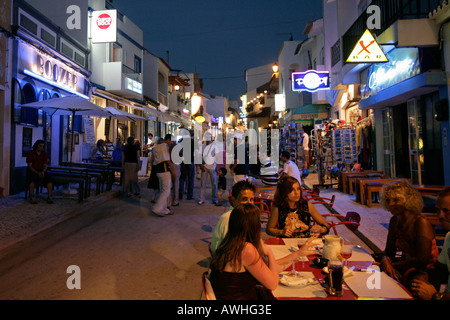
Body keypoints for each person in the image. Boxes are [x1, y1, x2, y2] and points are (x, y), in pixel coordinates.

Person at [209, 203, 279, 300]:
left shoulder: (228, 242)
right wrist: (269, 252)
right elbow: (273, 284)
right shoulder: (246, 249)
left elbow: (263, 270)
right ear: (254, 226)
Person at [378, 179, 439, 282]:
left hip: (426, 272)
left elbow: (422, 260)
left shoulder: (421, 223)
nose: (391, 204)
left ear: (408, 200)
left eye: (396, 200)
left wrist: (392, 265)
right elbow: (389, 251)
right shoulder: (394, 221)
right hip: (405, 266)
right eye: (388, 200)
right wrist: (385, 260)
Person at [410, 187, 450, 300]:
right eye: (438, 210)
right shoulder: (448, 237)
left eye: (446, 211)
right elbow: (440, 271)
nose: (440, 216)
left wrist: (436, 296)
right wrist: (423, 278)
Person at [150, 135, 173, 216]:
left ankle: (164, 209)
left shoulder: (155, 148)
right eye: (171, 140)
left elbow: (153, 160)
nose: (171, 142)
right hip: (164, 170)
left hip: (158, 170)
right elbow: (166, 159)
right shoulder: (164, 146)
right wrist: (173, 169)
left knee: (163, 190)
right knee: (166, 191)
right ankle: (157, 208)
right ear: (167, 140)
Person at [26, 139, 53, 204]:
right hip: (33, 170)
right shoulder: (31, 153)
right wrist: (37, 173)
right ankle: (32, 197)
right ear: (36, 146)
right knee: (32, 180)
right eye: (40, 146)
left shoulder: (44, 154)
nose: (41, 148)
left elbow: (45, 165)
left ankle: (49, 196)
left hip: (41, 170)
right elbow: (30, 166)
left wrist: (43, 171)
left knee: (49, 179)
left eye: (42, 146)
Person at [198, 137, 218, 205]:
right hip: (204, 167)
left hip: (212, 167)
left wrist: (217, 167)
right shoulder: (202, 147)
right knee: (203, 183)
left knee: (214, 183)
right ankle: (201, 198)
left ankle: (215, 198)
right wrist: (200, 165)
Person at [147, 138, 162, 203]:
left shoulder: (154, 149)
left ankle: (154, 196)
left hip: (154, 166)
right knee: (159, 182)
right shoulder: (163, 149)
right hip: (160, 166)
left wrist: (151, 165)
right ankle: (156, 197)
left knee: (155, 182)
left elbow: (152, 158)